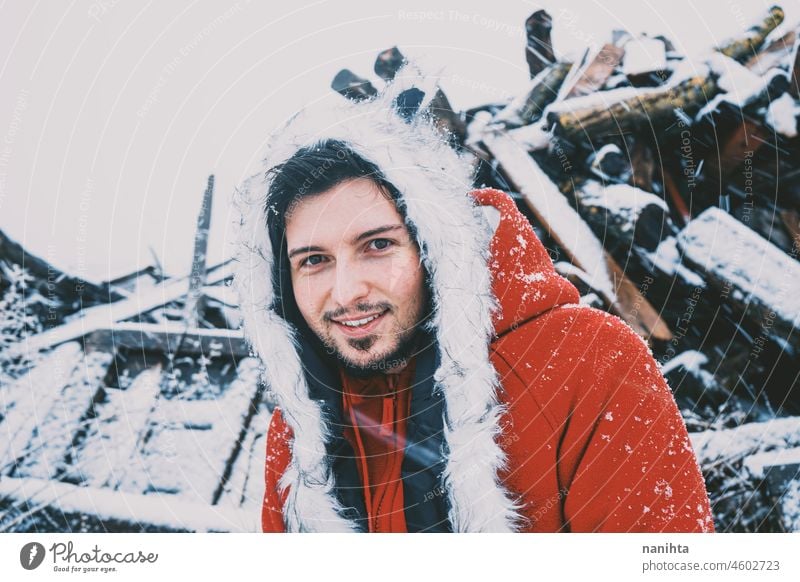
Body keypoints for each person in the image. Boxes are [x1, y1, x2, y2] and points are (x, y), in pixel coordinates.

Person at [232, 81, 715, 533]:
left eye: (377, 245)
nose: (345, 292)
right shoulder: (301, 428)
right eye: (314, 260)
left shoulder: (591, 361)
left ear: (433, 244)